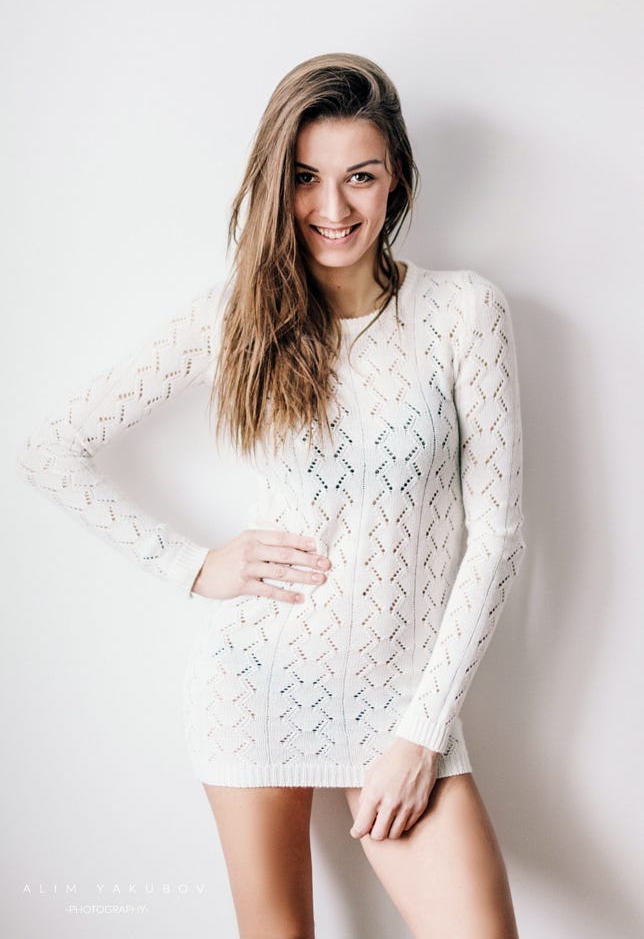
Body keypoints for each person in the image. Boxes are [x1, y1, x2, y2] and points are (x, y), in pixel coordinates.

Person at [17, 52, 527, 939]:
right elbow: (49, 450)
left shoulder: (462, 314)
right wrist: (192, 567)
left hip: (407, 703)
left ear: (396, 178)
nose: (334, 207)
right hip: (255, 687)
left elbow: (499, 538)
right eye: (305, 178)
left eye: (360, 176)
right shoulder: (237, 319)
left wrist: (422, 733)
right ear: (276, 184)